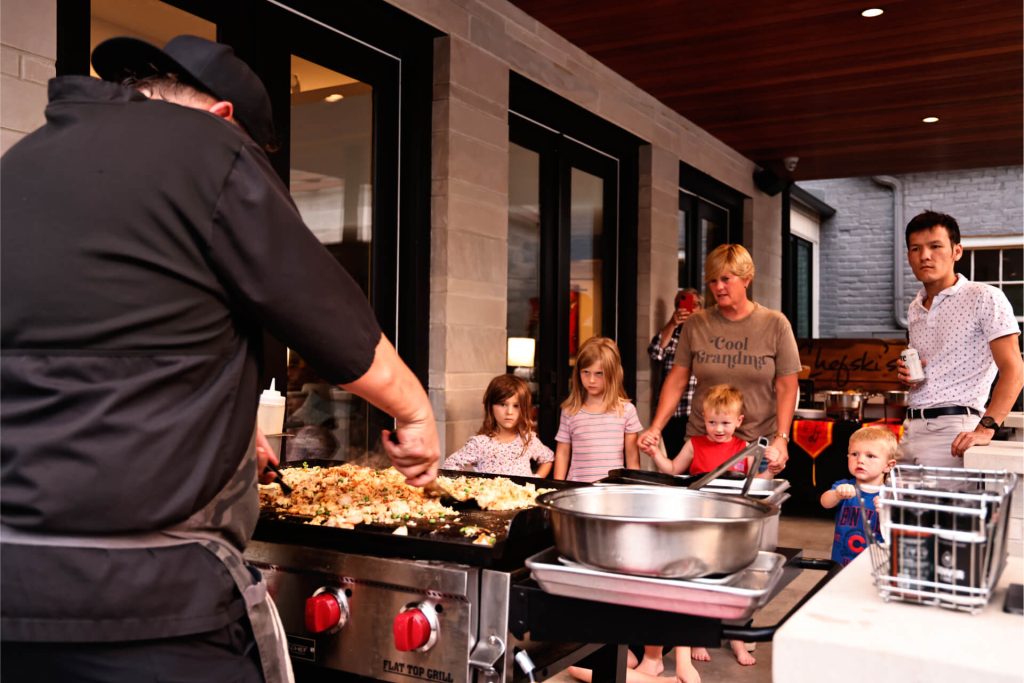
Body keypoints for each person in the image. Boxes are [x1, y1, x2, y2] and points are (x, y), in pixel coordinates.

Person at [0, 35, 439, 683]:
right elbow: (330, 319)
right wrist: (416, 410)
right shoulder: (208, 148)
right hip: (152, 603)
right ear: (225, 117)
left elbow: (108, 346)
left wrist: (226, 431)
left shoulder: (22, 161)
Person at [643, 384, 777, 671]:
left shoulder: (745, 449)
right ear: (703, 418)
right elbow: (672, 469)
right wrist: (655, 453)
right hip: (699, 523)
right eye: (712, 422)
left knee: (736, 578)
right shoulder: (695, 444)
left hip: (732, 525)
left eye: (725, 423)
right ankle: (697, 635)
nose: (718, 429)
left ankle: (737, 638)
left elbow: (757, 483)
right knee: (701, 578)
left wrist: (771, 471)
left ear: (739, 421)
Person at [639, 244, 800, 477]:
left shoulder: (775, 324)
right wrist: (655, 428)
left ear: (747, 279)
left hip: (758, 447)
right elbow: (677, 380)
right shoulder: (696, 323)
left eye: (726, 279)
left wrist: (782, 439)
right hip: (705, 444)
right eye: (713, 281)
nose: (718, 287)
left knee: (755, 512)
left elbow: (787, 386)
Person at [896, 211, 1023, 467]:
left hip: (954, 429)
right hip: (911, 427)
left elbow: (1015, 370)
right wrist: (908, 375)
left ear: (957, 251)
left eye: (935, 246)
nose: (925, 256)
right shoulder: (915, 307)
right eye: (915, 248)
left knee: (944, 509)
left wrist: (986, 428)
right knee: (902, 508)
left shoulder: (985, 296)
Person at [553, 336, 642, 482]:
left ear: (612, 374)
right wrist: (557, 486)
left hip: (613, 492)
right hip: (577, 491)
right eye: (586, 372)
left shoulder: (626, 411)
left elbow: (632, 461)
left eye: (599, 373)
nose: (591, 380)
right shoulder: (570, 411)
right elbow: (562, 453)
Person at [444, 374, 554, 477]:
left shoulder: (528, 439)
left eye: (516, 406)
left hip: (522, 497)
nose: (509, 412)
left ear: (524, 408)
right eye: (503, 404)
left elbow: (548, 458)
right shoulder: (480, 443)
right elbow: (451, 464)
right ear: (490, 406)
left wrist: (535, 480)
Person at [820, 426, 898, 567]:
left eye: (870, 456)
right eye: (854, 454)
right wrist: (837, 494)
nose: (860, 460)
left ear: (888, 466)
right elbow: (825, 502)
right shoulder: (844, 486)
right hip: (841, 561)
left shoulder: (891, 495)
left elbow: (897, 532)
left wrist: (888, 512)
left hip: (875, 564)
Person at [647, 288, 703, 459]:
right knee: (676, 459)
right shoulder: (673, 333)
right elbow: (656, 352)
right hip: (674, 411)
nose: (690, 309)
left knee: (698, 460)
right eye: (684, 304)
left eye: (694, 305)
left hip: (700, 412)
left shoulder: (707, 333)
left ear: (701, 308)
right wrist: (672, 323)